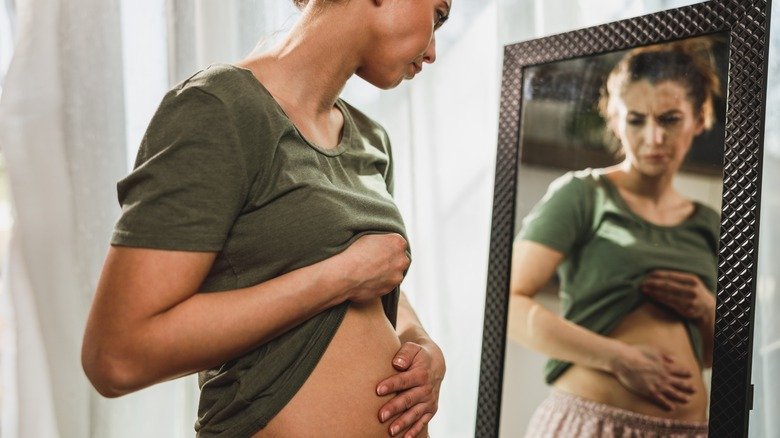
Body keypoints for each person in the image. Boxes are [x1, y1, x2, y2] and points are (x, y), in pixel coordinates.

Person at [81, 1, 450, 436]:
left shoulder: (371, 139)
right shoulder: (219, 108)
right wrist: (339, 277)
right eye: (438, 15)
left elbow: (374, 278)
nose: (432, 52)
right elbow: (117, 357)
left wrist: (418, 340)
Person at [509, 39, 722, 437]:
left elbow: (711, 358)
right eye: (636, 119)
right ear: (615, 119)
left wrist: (707, 310)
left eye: (670, 119)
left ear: (699, 118)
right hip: (590, 424)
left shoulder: (710, 224)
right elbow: (509, 304)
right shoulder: (582, 195)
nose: (653, 137)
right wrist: (618, 359)